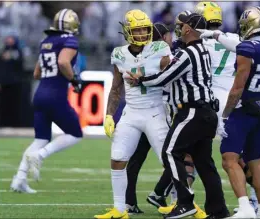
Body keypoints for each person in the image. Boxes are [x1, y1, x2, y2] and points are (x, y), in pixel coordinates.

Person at [126, 13, 230, 219]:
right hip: (207, 112)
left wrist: (141, 80)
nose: (179, 29)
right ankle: (219, 211)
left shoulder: (188, 53)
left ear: (189, 29)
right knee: (205, 163)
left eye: (182, 26)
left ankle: (184, 202)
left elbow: (165, 76)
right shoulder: (203, 51)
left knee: (170, 152)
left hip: (193, 111)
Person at [94, 9, 172, 219]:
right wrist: (109, 115)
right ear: (128, 31)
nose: (141, 34)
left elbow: (173, 77)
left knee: (170, 160)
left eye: (145, 29)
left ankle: (178, 204)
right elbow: (116, 88)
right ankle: (120, 209)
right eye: (137, 30)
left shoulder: (160, 48)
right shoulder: (119, 53)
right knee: (118, 158)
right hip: (131, 112)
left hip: (155, 111)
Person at [10, 9, 83, 193]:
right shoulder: (69, 40)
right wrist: (74, 79)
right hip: (56, 95)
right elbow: (63, 62)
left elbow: (36, 73)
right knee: (75, 133)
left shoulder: (47, 41)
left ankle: (19, 180)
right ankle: (40, 156)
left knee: (40, 139)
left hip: (40, 93)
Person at [220, 6, 260, 218]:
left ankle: (245, 208)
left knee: (229, 159)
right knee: (254, 160)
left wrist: (225, 115)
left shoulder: (247, 48)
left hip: (244, 110)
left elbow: (237, 87)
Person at [125, 22, 173, 215]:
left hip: (146, 110)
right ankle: (162, 195)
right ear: (162, 37)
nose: (171, 39)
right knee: (176, 157)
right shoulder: (165, 55)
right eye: (168, 35)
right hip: (161, 111)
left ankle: (130, 201)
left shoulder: (142, 56)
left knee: (136, 159)